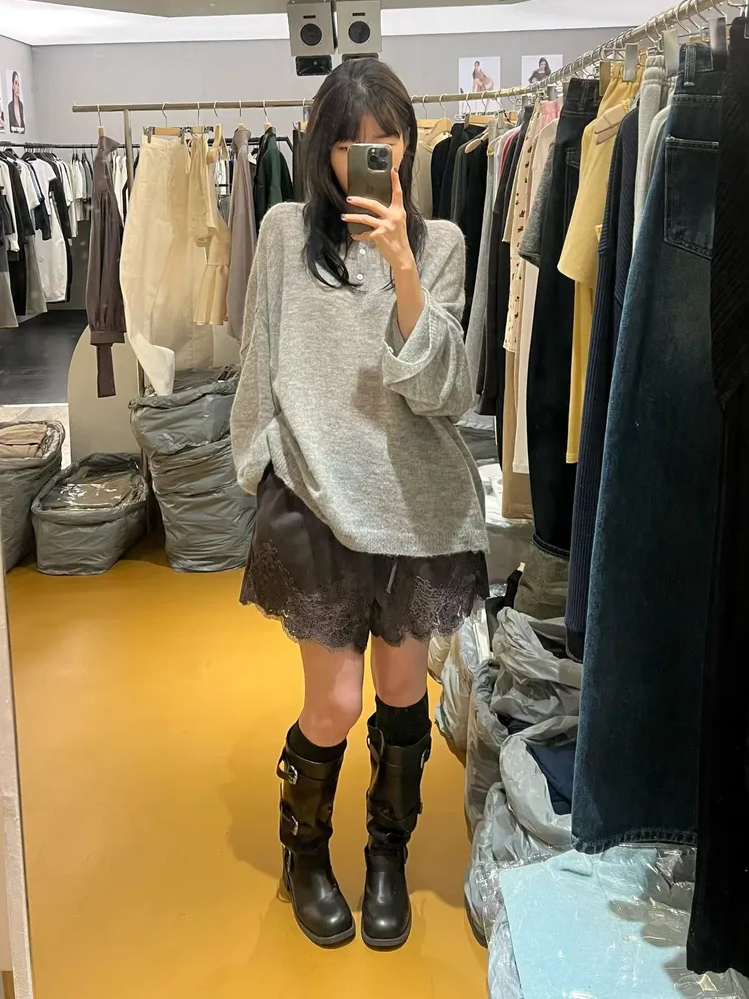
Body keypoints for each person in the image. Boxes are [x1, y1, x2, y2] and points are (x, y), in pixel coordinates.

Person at [231, 59, 489, 950]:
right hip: (313, 499)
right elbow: (259, 359)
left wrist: (404, 267)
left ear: (409, 146)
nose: (369, 158)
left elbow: (446, 391)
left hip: (413, 506)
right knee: (336, 702)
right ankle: (305, 853)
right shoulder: (280, 234)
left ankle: (388, 856)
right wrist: (257, 465)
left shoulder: (442, 244)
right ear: (323, 150)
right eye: (351, 144)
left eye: (386, 141)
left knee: (403, 691)